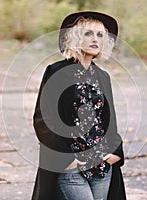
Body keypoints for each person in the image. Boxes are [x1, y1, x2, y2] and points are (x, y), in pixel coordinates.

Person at [32, 11, 126, 200]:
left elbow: (108, 122)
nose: (95, 39)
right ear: (75, 37)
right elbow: (43, 119)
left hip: (101, 164)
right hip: (70, 163)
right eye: (88, 33)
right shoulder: (56, 71)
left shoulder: (103, 76)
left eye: (100, 35)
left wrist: (116, 152)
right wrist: (67, 160)